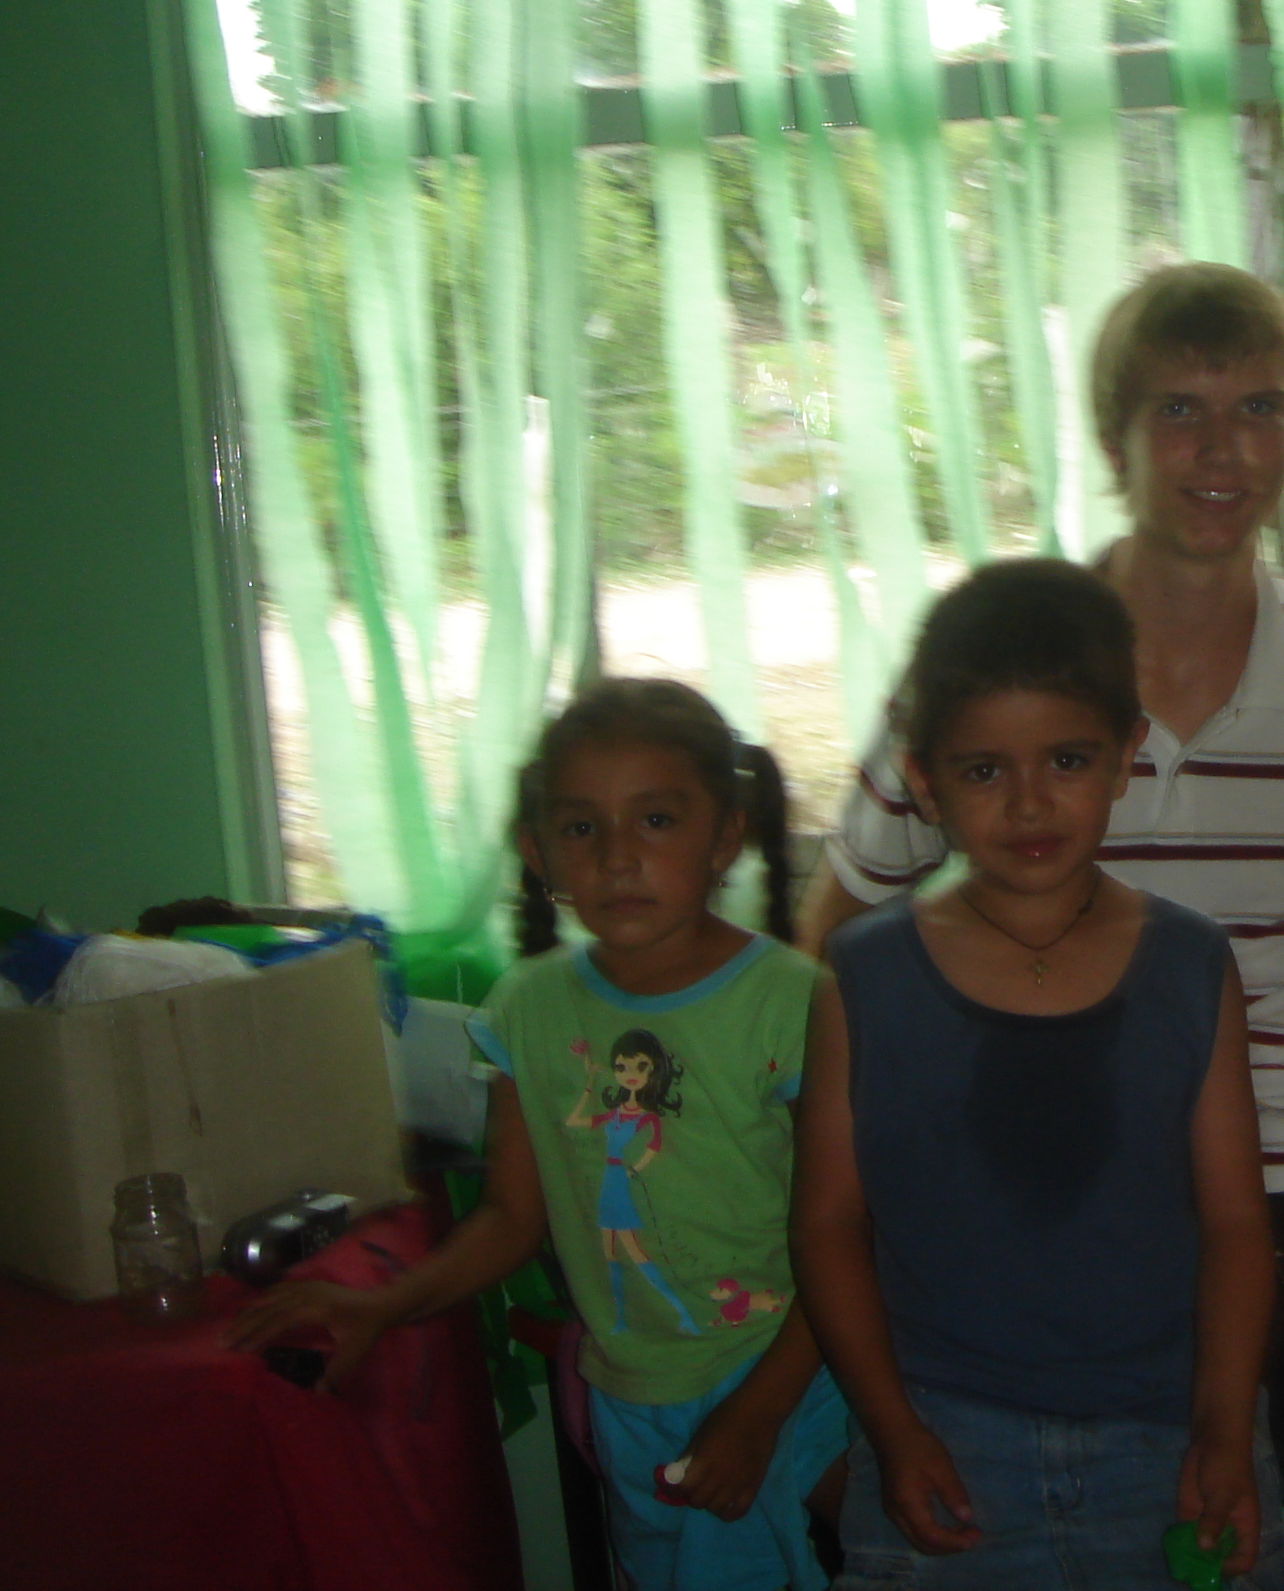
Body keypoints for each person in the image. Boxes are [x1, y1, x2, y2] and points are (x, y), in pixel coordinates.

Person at [801, 262, 1284, 1490]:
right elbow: (848, 914)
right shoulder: (1001, 661)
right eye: (1179, 410)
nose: (1222, 448)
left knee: (1209, 1528)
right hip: (1040, 1188)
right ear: (1112, 437)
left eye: (1261, 408)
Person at [230, 678, 846, 1591]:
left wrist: (760, 1411)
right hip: (633, 1395)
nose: (618, 858)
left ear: (726, 835)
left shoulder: (791, 1001)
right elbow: (510, 1218)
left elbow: (848, 1236)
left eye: (658, 821)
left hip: (790, 1373)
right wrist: (383, 1305)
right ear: (538, 849)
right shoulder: (528, 1007)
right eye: (582, 828)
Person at [791, 559, 1284, 1586]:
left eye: (1066, 759)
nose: (1029, 803)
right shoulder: (863, 977)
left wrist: (1222, 1426)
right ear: (926, 779)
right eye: (984, 771)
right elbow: (828, 1224)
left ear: (1125, 757)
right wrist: (889, 1429)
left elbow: (1239, 1224)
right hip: (947, 1446)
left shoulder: (1192, 965)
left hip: (1169, 1438)